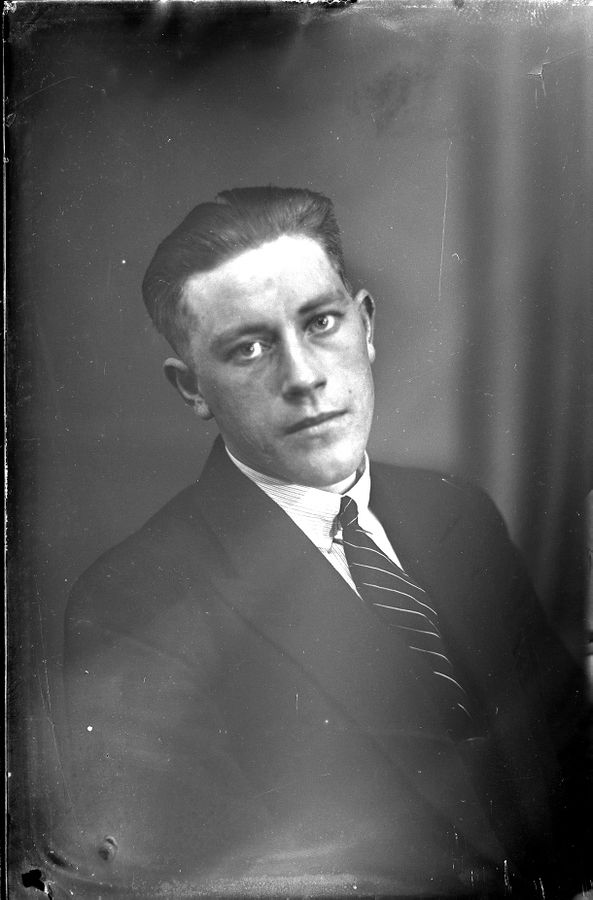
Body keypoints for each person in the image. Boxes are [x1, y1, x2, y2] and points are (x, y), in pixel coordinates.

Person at [48, 187, 589, 897]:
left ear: (366, 325)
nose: (303, 377)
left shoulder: (458, 514)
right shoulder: (132, 602)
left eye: (321, 322)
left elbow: (570, 758)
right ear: (192, 389)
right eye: (248, 348)